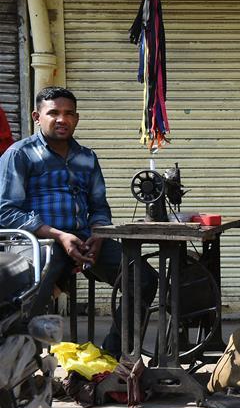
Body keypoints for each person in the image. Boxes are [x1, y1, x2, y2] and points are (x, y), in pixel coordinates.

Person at [0, 86, 157, 358]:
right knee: (33, 296)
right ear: (38, 117)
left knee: (142, 278)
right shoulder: (19, 154)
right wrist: (58, 235)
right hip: (41, 242)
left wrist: (99, 234)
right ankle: (26, 367)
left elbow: (99, 206)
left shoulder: (87, 157)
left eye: (69, 113)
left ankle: (113, 357)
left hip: (84, 240)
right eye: (54, 113)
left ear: (77, 118)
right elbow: (5, 210)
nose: (62, 119)